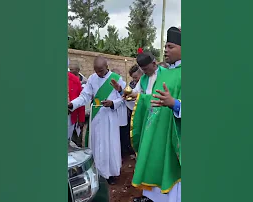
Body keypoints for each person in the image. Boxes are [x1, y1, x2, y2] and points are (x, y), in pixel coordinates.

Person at [115, 27, 181, 202]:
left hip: (174, 135)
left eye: (171, 46)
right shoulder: (164, 74)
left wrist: (175, 104)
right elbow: (150, 98)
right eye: (165, 46)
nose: (165, 50)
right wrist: (134, 96)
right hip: (157, 130)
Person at [68, 56, 126, 185]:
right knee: (97, 144)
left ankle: (110, 173)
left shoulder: (116, 79)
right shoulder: (92, 78)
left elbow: (124, 98)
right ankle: (98, 172)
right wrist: (73, 104)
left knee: (109, 144)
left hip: (110, 116)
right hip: (96, 115)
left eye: (100, 70)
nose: (98, 73)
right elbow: (85, 96)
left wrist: (112, 103)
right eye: (96, 70)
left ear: (107, 67)